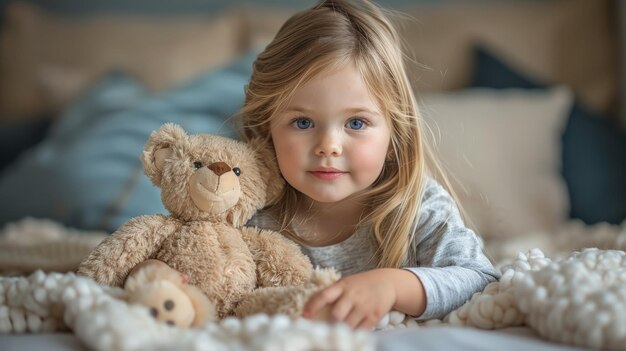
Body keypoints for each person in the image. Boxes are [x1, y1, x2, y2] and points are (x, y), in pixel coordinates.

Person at [239, 0, 500, 331]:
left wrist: (392, 286)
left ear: (393, 137)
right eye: (303, 122)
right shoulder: (249, 212)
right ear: (267, 128)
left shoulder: (416, 205)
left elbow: (479, 279)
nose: (328, 146)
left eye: (356, 123)